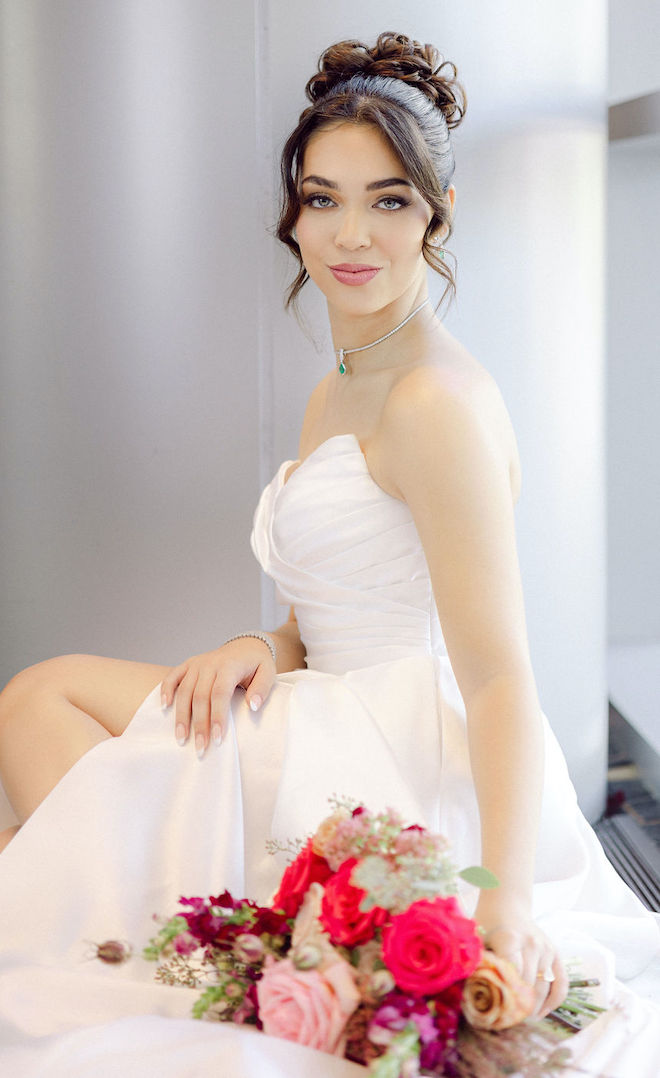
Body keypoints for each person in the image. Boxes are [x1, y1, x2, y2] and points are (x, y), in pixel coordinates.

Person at [0, 31, 659, 1077]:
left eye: (389, 200)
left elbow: (497, 680)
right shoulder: (339, 385)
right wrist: (262, 641)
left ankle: (144, 932)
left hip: (391, 747)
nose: (351, 232)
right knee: (38, 699)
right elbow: (338, 598)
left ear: (436, 215)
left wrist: (507, 896)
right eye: (323, 197)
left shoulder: (434, 402)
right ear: (293, 213)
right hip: (317, 694)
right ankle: (143, 920)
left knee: (42, 750)